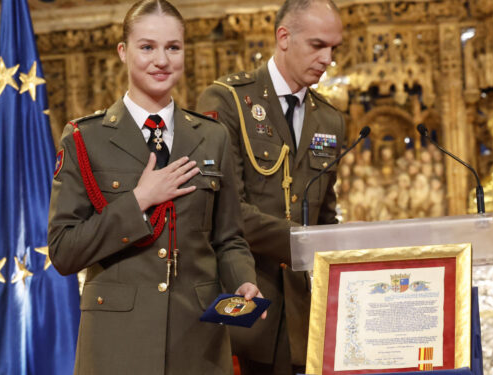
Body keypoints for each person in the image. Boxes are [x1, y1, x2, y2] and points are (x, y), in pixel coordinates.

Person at [48, 0, 264, 373]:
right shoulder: (86, 138)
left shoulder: (212, 137)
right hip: (117, 342)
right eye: (147, 47)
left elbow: (229, 238)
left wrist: (244, 281)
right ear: (123, 52)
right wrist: (138, 200)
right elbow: (64, 251)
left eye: (173, 47)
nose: (161, 60)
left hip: (197, 339)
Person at [196, 0, 345, 373]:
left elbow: (326, 214)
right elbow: (225, 211)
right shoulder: (228, 101)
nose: (328, 58)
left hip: (306, 314)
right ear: (283, 37)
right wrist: (306, 242)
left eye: (333, 48)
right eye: (317, 45)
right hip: (248, 303)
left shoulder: (329, 119)